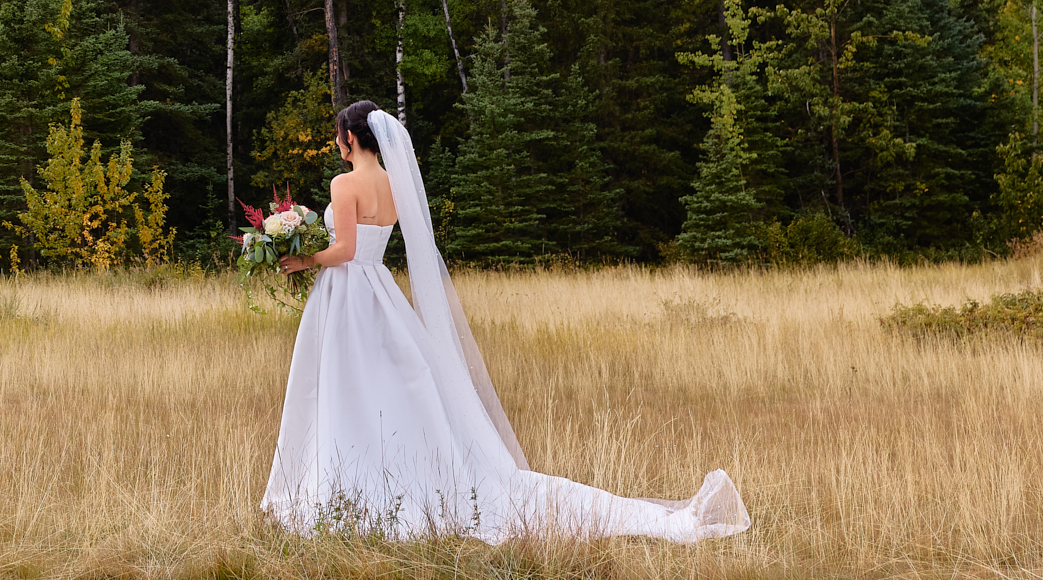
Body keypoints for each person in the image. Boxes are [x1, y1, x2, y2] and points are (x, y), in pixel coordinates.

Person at [263, 99, 749, 544]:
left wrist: (299, 260)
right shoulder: (394, 184)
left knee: (347, 388)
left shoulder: (343, 184)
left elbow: (345, 250)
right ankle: (393, 478)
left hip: (350, 296)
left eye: (337, 135)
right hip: (383, 294)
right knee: (391, 389)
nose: (336, 143)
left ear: (350, 137)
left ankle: (349, 486)